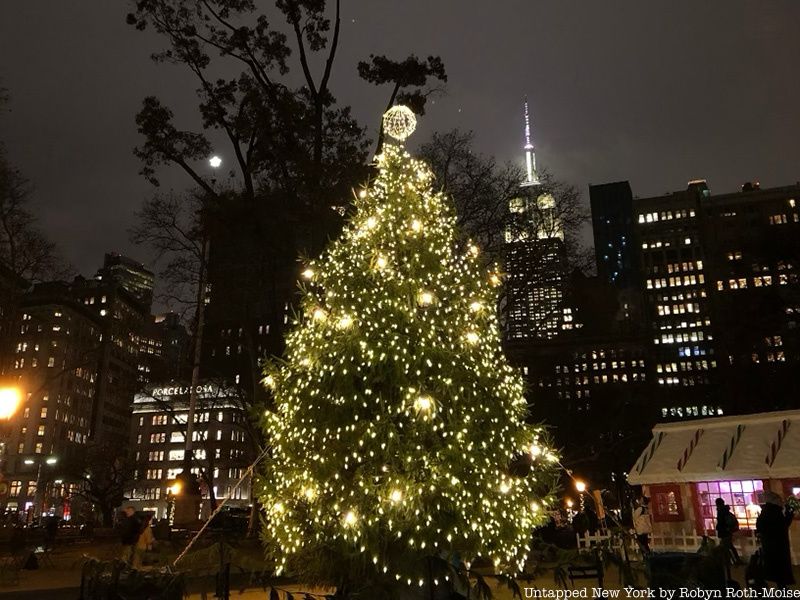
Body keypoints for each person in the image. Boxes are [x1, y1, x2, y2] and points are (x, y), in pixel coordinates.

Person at [756, 491, 795, 588]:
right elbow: (783, 525)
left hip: (769, 544)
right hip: (778, 544)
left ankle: (781, 586)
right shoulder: (775, 511)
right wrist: (789, 514)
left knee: (775, 566)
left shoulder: (765, 511)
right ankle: (782, 588)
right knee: (780, 566)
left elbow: (760, 527)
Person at [715, 498, 741, 575]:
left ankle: (731, 561)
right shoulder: (725, 511)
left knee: (726, 547)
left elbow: (721, 523)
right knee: (730, 546)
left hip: (724, 532)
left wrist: (719, 528)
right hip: (728, 531)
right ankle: (736, 560)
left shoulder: (721, 511)